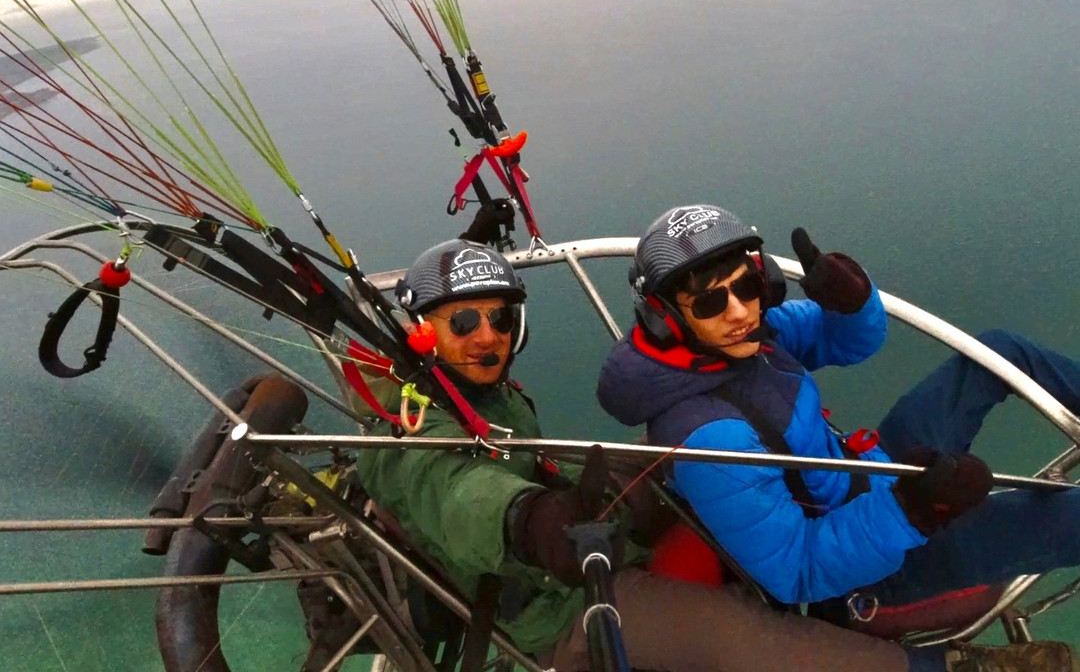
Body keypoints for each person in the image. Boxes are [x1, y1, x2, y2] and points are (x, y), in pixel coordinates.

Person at [353, 235, 940, 672]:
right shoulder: (401, 431)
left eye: (501, 317)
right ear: (420, 330)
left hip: (577, 543)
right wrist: (531, 520)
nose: (488, 335)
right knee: (743, 634)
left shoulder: (474, 391)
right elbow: (456, 493)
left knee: (671, 459)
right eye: (462, 320)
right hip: (554, 608)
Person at [597, 203, 1080, 672]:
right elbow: (796, 571)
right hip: (870, 575)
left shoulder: (742, 338)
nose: (740, 309)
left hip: (869, 480)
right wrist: (916, 509)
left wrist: (851, 301)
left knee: (999, 354)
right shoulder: (709, 439)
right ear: (666, 316)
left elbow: (850, 341)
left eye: (747, 285)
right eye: (710, 301)